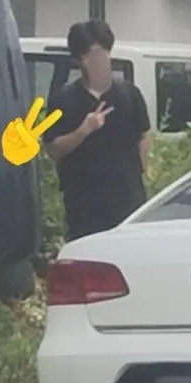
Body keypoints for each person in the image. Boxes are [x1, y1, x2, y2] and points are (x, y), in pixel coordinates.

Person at [42, 20, 152, 241]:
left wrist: (140, 171)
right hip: (84, 204)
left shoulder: (129, 94)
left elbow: (144, 135)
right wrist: (84, 130)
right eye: (92, 55)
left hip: (127, 199)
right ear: (78, 59)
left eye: (104, 52)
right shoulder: (63, 100)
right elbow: (53, 149)